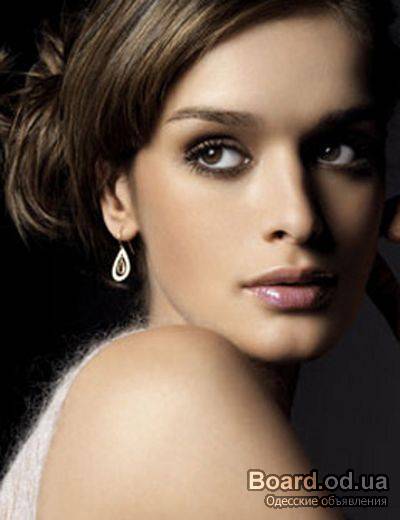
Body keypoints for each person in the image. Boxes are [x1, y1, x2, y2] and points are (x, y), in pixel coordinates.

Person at [0, 0, 399, 518]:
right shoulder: (165, 393)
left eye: (338, 150)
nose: (300, 218)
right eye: (217, 153)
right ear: (117, 196)